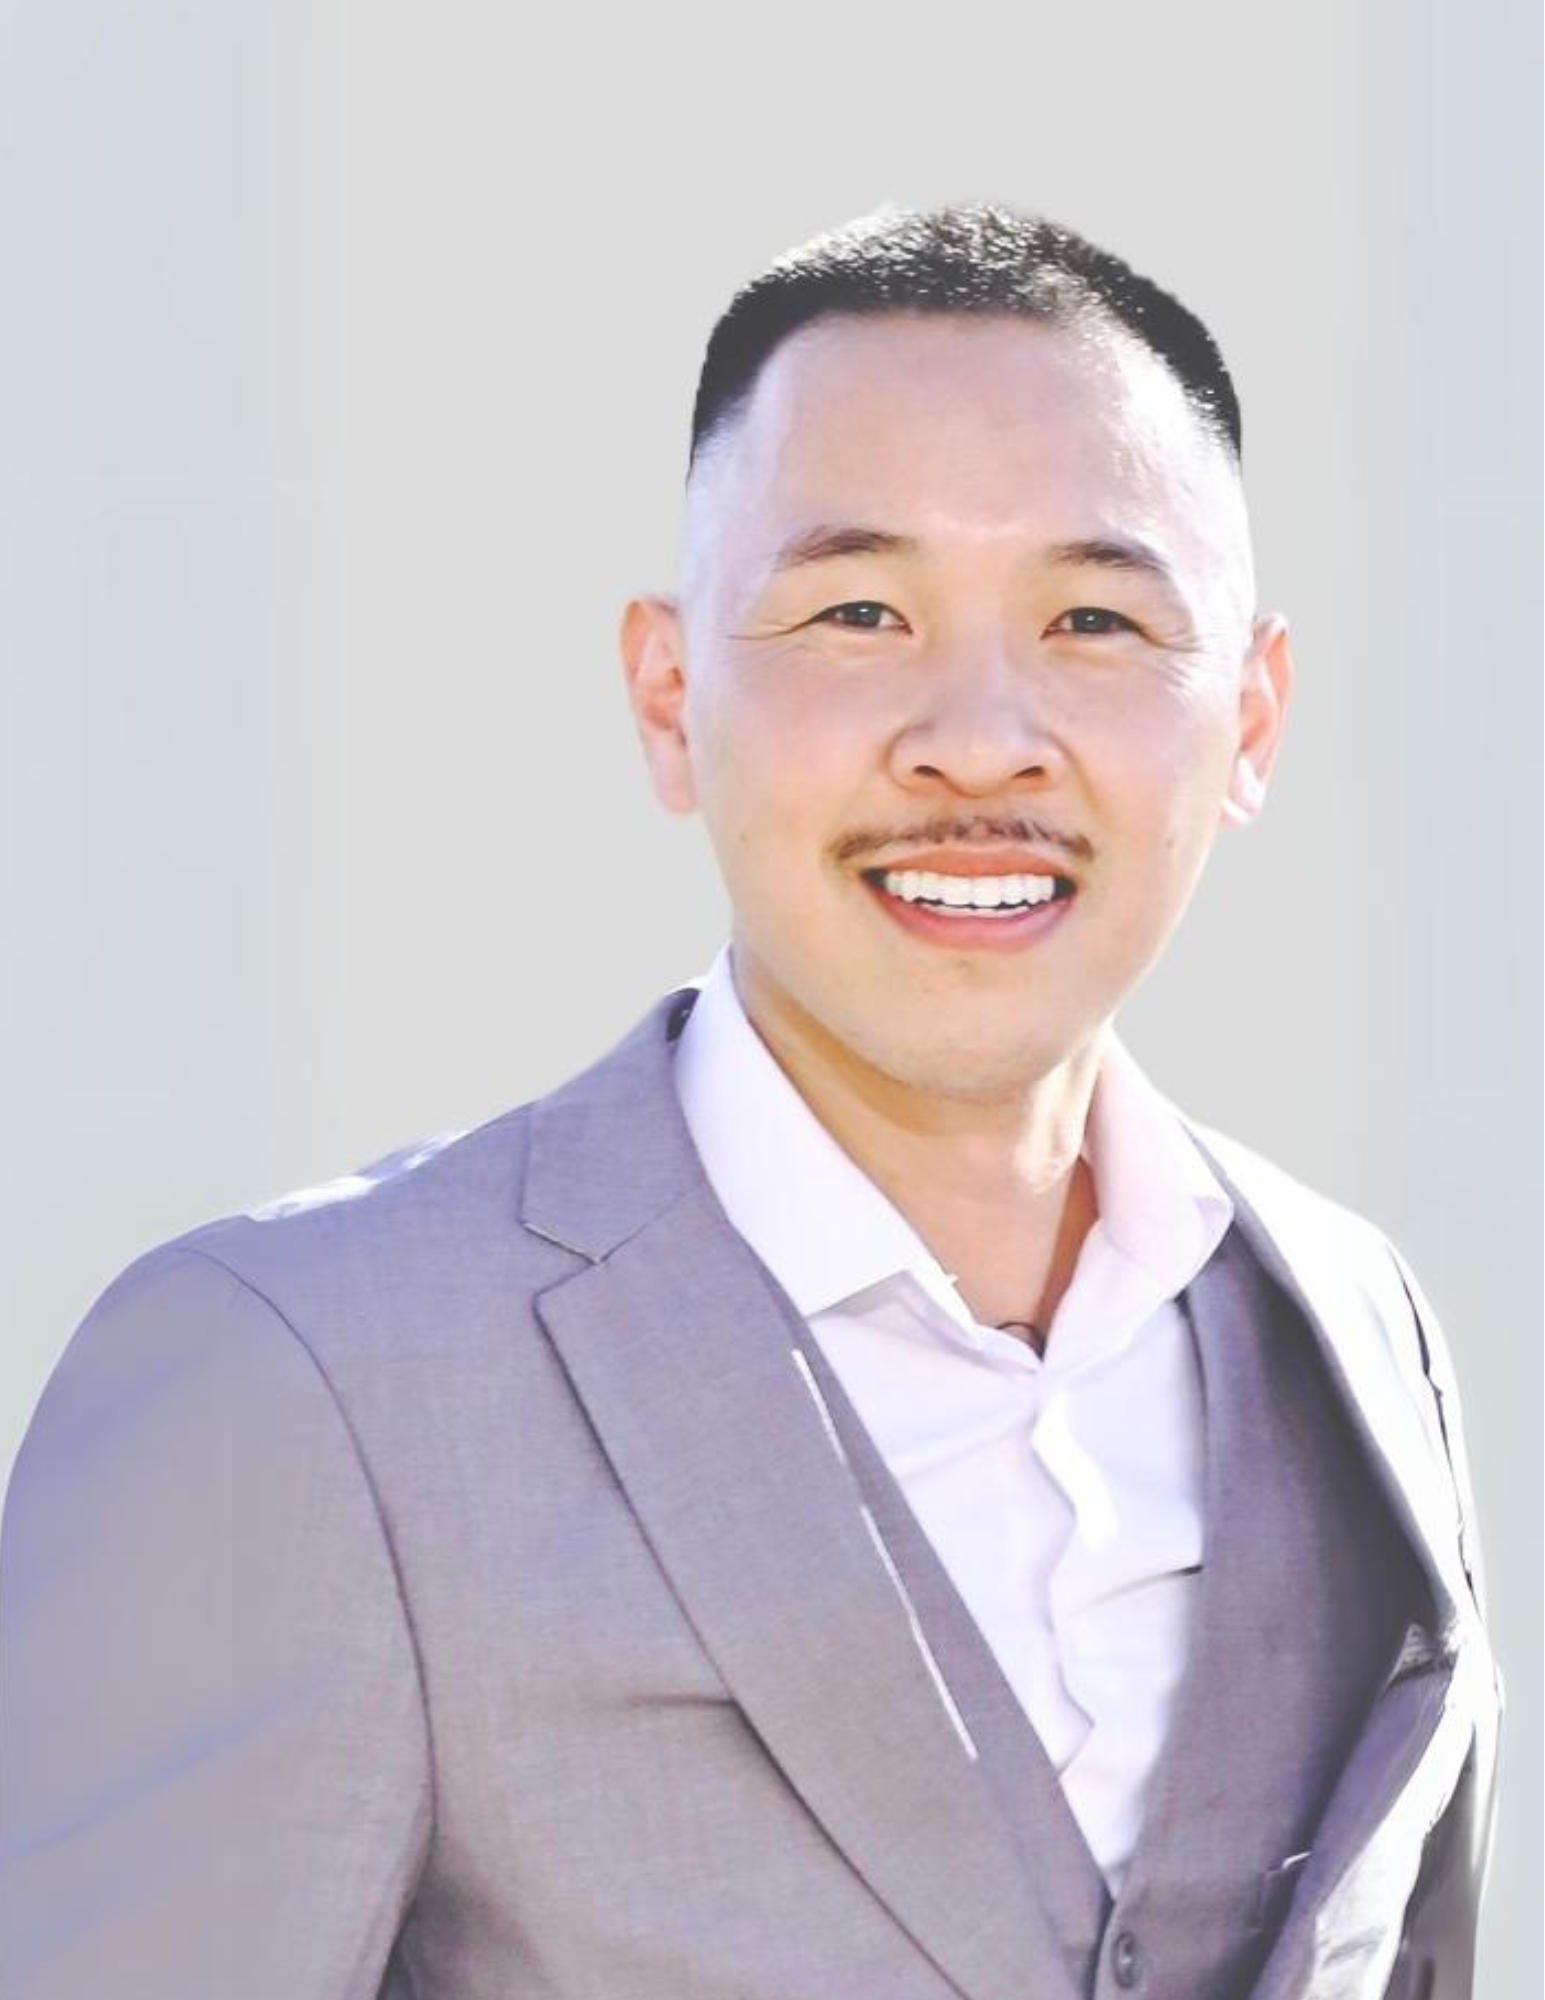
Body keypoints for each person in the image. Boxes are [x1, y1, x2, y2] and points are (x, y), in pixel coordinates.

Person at [0, 204, 1500, 2000]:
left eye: (1096, 616)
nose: (979, 736)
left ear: (1249, 718)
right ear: (667, 692)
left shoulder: (1357, 1326)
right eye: (859, 609)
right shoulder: (296, 1376)